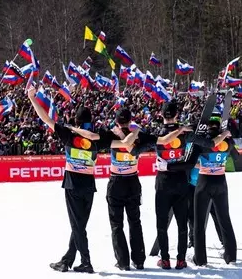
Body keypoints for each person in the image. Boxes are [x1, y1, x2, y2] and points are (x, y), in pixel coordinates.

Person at [27, 87, 139, 273]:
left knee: (77, 225)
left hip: (72, 185)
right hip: (89, 186)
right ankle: (67, 260)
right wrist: (134, 131)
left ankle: (86, 261)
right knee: (79, 224)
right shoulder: (99, 137)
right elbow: (127, 144)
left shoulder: (69, 133)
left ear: (77, 121)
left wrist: (32, 98)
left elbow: (45, 118)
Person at [66, 108, 192, 271]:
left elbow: (90, 137)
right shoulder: (138, 134)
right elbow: (164, 140)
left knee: (117, 224)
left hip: (116, 182)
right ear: (130, 120)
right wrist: (180, 129)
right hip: (133, 182)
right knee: (135, 222)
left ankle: (123, 262)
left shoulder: (110, 133)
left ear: (117, 121)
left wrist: (72, 128)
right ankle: (139, 260)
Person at [151, 101, 230, 270]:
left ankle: (165, 259)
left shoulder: (156, 133)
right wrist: (224, 134)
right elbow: (209, 144)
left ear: (161, 115)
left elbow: (137, 148)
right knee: (183, 222)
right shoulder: (187, 133)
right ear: (177, 115)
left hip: (164, 182)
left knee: (162, 222)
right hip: (182, 181)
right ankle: (181, 259)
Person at [192, 112, 238, 266]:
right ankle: (231, 256)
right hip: (220, 181)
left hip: (204, 181)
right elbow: (236, 157)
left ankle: (200, 259)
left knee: (199, 223)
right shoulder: (226, 139)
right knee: (224, 219)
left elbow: (191, 159)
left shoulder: (203, 140)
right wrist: (228, 137)